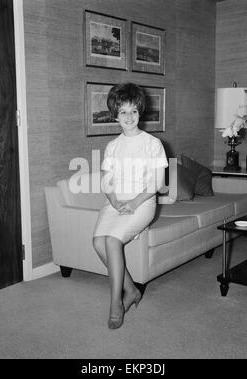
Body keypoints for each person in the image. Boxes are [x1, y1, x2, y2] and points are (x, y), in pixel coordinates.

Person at [93, 82, 168, 329]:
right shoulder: (112, 146)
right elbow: (107, 182)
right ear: (115, 114)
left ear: (140, 112)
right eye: (123, 111)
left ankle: (116, 303)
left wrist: (133, 203)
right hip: (115, 202)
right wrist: (115, 201)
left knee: (112, 240)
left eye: (133, 111)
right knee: (98, 242)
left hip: (143, 203)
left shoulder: (153, 144)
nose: (129, 117)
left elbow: (157, 183)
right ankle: (132, 290)